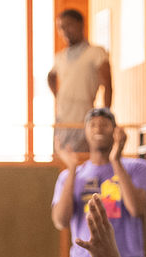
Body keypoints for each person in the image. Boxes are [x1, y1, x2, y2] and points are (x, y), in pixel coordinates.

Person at [52, 107, 146, 257]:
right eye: (93, 124)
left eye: (105, 124)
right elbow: (60, 220)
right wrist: (71, 169)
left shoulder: (137, 167)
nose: (99, 128)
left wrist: (116, 159)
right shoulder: (69, 175)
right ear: (86, 132)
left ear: (115, 131)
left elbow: (136, 209)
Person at [48, 9, 112, 153]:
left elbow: (108, 84)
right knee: (61, 163)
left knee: (81, 162)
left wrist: (106, 115)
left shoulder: (96, 53)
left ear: (80, 25)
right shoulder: (60, 57)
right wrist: (58, 96)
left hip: (84, 120)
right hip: (62, 121)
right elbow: (51, 76)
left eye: (69, 25)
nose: (65, 31)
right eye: (61, 27)